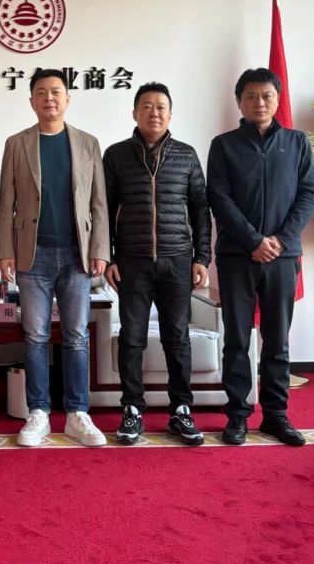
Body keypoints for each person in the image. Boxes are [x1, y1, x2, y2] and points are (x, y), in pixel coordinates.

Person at [0, 69, 110, 448]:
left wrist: (100, 250)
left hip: (77, 255)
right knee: (35, 336)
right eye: (42, 92)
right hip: (33, 255)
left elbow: (99, 203)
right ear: (31, 100)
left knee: (77, 335)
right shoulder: (17, 144)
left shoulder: (87, 143)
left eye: (56, 92)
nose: (49, 98)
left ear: (67, 99)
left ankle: (78, 413)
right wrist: (5, 251)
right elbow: (5, 203)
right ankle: (39, 412)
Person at [207, 68, 314, 447]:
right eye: (251, 96)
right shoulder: (224, 145)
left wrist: (280, 241)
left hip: (282, 257)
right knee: (237, 339)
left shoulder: (297, 142)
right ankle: (238, 415)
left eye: (267, 96)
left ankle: (276, 415)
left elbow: (308, 195)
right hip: (237, 256)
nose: (259, 102)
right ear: (239, 102)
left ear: (277, 100)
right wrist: (254, 240)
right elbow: (219, 198)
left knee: (277, 340)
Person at [103, 82, 212, 446]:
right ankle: (132, 409)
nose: (154, 112)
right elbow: (103, 210)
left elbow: (200, 209)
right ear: (134, 113)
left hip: (177, 260)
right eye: (147, 106)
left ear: (170, 114)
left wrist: (202, 257)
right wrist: (110, 258)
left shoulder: (186, 155)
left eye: (161, 106)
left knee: (176, 338)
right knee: (132, 337)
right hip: (131, 262)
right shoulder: (116, 155)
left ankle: (181, 410)